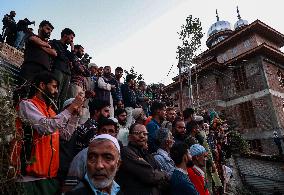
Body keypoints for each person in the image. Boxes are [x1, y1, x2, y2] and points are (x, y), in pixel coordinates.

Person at [14, 72, 84, 195]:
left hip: (49, 177)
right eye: (54, 86)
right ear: (42, 85)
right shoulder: (27, 104)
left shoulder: (51, 111)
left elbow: (65, 135)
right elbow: (45, 127)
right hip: (28, 179)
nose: (57, 91)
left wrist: (74, 116)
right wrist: (71, 107)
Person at [58, 99, 110, 181]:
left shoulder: (88, 125)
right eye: (106, 111)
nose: (108, 114)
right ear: (96, 112)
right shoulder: (92, 129)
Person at [117, 123, 169, 195]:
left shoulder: (147, 154)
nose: (142, 136)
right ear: (129, 137)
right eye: (137, 133)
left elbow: (163, 177)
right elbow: (150, 176)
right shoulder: (126, 152)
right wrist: (160, 175)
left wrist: (159, 175)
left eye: (145, 133)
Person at [18, 20, 56, 95]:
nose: (49, 32)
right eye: (47, 29)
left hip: (44, 71)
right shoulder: (31, 34)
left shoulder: (49, 44)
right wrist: (46, 46)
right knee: (23, 90)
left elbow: (54, 53)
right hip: (30, 66)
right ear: (40, 28)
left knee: (36, 94)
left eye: (51, 31)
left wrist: (41, 46)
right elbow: (34, 40)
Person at [50, 28, 75, 110]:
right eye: (71, 38)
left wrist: (72, 47)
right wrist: (66, 59)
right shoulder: (55, 42)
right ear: (65, 35)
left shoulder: (67, 50)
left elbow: (72, 59)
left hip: (67, 73)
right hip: (58, 69)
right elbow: (58, 55)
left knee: (62, 97)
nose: (72, 40)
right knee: (55, 93)